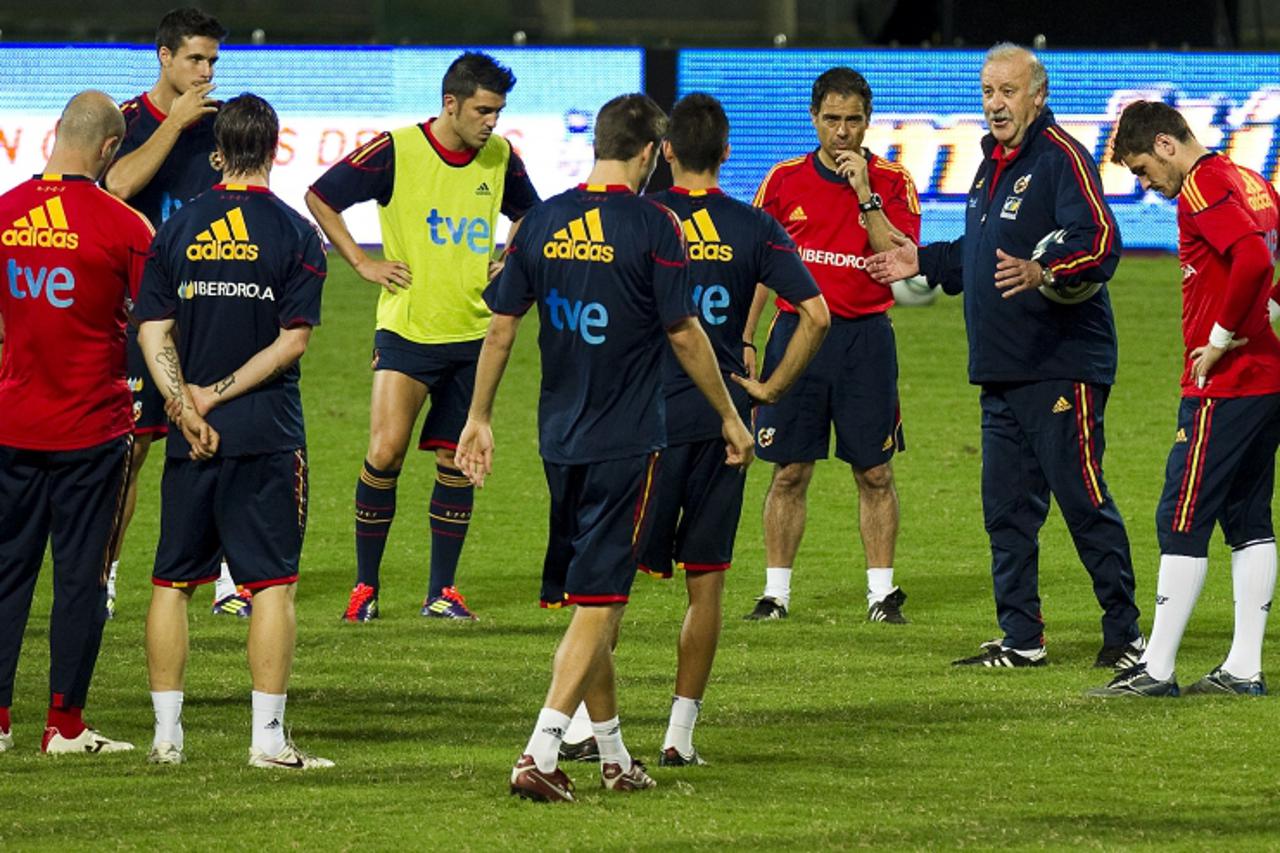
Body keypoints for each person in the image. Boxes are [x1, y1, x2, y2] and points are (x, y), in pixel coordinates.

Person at [454, 93, 754, 802]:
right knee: (600, 602)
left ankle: (614, 754)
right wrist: (730, 417)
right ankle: (541, 747)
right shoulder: (656, 224)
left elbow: (501, 328)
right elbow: (684, 334)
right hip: (627, 441)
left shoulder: (543, 221)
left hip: (558, 437)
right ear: (651, 153)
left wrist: (477, 416)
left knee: (594, 596)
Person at [867, 43, 1142, 668]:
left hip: (1059, 365)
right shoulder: (994, 162)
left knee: (1082, 500)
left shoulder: (1060, 157)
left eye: (1008, 91)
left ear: (1037, 95)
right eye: (988, 91)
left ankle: (1125, 637)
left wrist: (1044, 268)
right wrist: (925, 261)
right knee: (1006, 514)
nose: (995, 104)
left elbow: (1100, 241)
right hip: (1002, 369)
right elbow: (985, 246)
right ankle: (1023, 638)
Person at [307, 51, 539, 623]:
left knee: (456, 463)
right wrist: (361, 262)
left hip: (474, 335)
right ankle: (365, 588)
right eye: (484, 110)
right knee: (384, 452)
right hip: (407, 330)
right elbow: (320, 195)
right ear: (451, 104)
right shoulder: (396, 150)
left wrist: (509, 259)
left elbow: (532, 215)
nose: (492, 122)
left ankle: (442, 592)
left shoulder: (501, 157)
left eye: (499, 111)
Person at [135, 94, 332, 767]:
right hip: (265, 430)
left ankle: (166, 737)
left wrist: (184, 407)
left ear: (218, 150)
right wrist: (215, 398)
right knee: (272, 583)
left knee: (172, 581)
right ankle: (267, 740)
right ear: (274, 148)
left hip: (190, 437)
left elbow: (152, 327)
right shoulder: (296, 234)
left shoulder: (178, 226)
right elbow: (292, 342)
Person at [640, 93, 828, 765]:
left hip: (643, 423)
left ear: (665, 152)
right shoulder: (755, 226)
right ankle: (679, 735)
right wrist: (770, 389)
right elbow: (817, 313)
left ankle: (578, 721)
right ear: (725, 153)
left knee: (610, 576)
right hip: (725, 426)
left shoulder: (642, 218)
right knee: (707, 580)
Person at [1090, 101, 1280, 697]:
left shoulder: (1203, 184)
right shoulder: (1251, 179)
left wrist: (1221, 340)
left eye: (1144, 169)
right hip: (1268, 378)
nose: (1147, 184)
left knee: (1180, 516)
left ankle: (1157, 669)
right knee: (1249, 519)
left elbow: (1251, 258)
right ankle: (1244, 668)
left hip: (1223, 384)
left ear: (1168, 146)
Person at [0, 91, 154, 754]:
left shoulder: (4, 212)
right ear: (110, 148)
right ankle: (63, 722)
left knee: (7, 570)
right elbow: (155, 326)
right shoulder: (125, 226)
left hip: (12, 423)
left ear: (54, 133)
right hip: (93, 428)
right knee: (81, 575)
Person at [742, 66, 920, 624]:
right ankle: (775, 596)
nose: (842, 132)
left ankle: (881, 596)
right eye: (832, 119)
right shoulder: (783, 181)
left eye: (853, 120)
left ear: (868, 123)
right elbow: (759, 270)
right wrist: (745, 337)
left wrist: (863, 191)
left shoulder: (894, 182)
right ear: (814, 118)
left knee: (875, 472)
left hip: (865, 339)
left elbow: (897, 264)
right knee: (789, 470)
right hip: (795, 337)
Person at [103, 7, 248, 618]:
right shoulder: (128, 122)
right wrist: (174, 126)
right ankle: (104, 573)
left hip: (211, 310)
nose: (206, 71)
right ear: (164, 58)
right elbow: (115, 188)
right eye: (195, 58)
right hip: (142, 312)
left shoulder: (221, 128)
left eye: (213, 60)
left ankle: (224, 576)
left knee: (221, 441)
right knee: (130, 451)